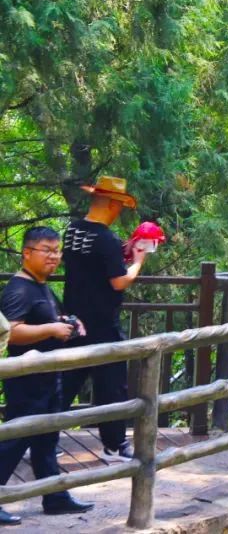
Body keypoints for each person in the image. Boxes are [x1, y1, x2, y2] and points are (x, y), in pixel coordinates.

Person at [0, 227, 94, 522]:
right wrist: (51, 329)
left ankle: (55, 496)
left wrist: (65, 322)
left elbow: (43, 320)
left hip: (48, 376)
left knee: (47, 439)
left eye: (57, 251)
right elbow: (12, 332)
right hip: (26, 379)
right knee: (15, 440)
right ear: (27, 253)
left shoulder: (41, 286)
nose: (53, 257)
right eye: (46, 250)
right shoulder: (18, 289)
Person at [61, 176, 149, 462]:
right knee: (111, 384)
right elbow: (118, 281)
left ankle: (38, 437)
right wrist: (138, 262)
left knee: (66, 381)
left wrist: (122, 250)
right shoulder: (106, 239)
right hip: (102, 324)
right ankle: (114, 444)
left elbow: (89, 261)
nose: (120, 210)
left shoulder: (73, 230)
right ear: (112, 203)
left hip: (73, 320)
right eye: (119, 205)